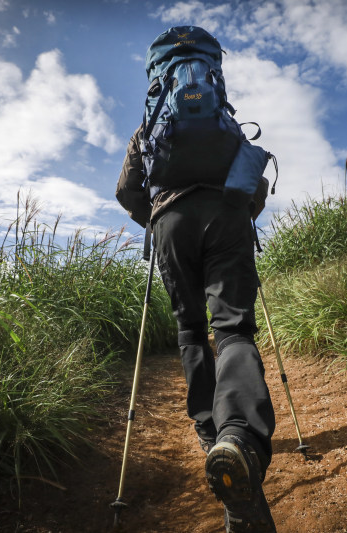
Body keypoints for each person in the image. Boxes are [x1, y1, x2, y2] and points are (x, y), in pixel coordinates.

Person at [115, 29, 278, 532]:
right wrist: (241, 210)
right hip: (226, 216)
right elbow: (255, 186)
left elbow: (126, 191)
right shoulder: (226, 122)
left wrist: (159, 221)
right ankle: (241, 439)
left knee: (190, 330)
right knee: (232, 328)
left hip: (169, 222)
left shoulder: (148, 128)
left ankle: (209, 432)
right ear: (214, 72)